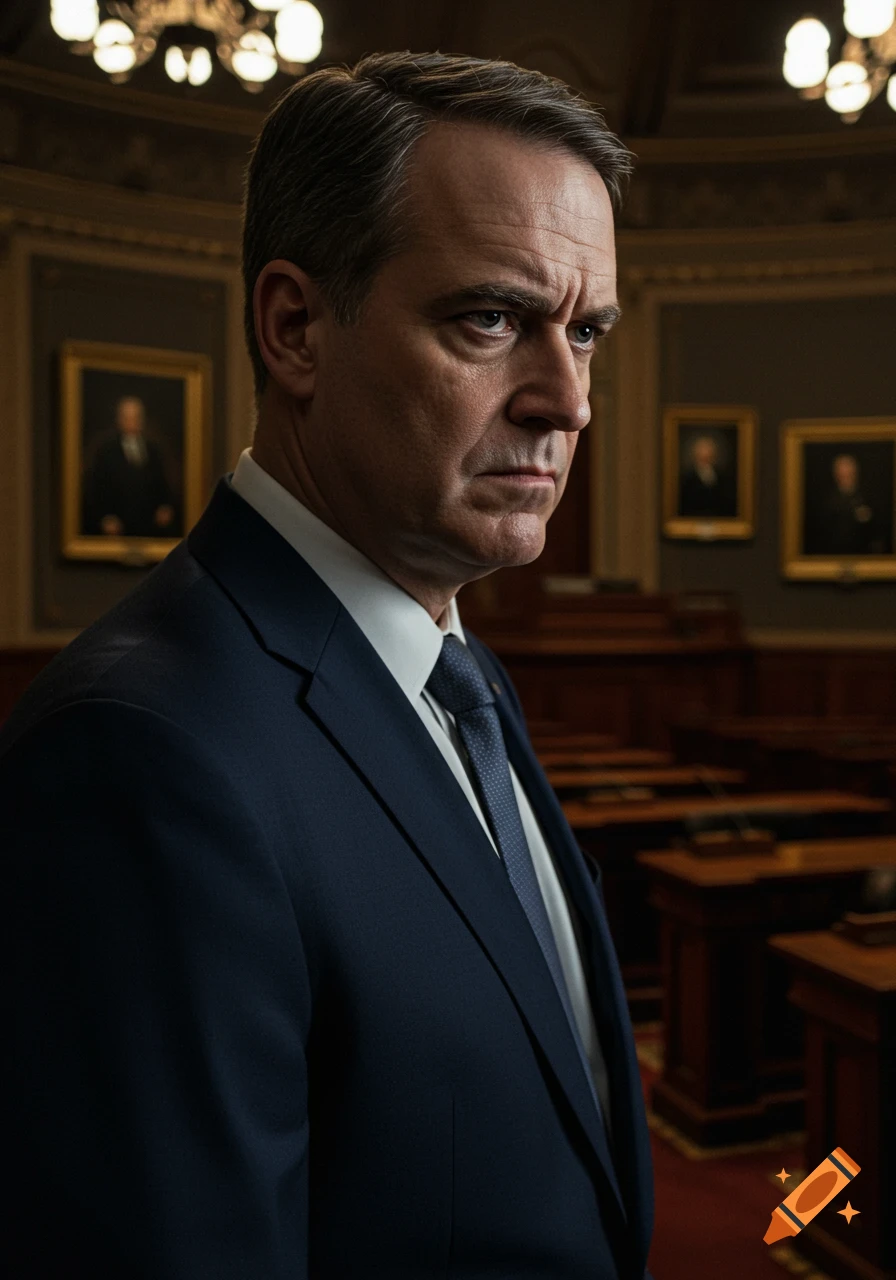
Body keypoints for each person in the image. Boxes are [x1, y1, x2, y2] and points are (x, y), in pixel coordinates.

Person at [3, 51, 654, 1280]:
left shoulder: (459, 673)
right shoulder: (140, 751)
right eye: (490, 318)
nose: (565, 400)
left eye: (586, 330)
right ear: (295, 327)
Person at [81, 393, 178, 537]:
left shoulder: (153, 450)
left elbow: (162, 484)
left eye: (136, 417)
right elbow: (96, 488)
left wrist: (165, 507)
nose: (132, 421)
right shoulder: (106, 451)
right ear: (119, 419)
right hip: (117, 525)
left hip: (149, 525)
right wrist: (105, 517)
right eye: (127, 417)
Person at [807, 452, 886, 555]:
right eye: (842, 472)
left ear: (855, 472)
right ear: (835, 474)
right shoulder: (826, 501)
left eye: (849, 472)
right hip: (831, 554)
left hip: (862, 554)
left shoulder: (868, 498)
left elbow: (877, 531)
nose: (846, 475)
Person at [677, 432, 737, 519]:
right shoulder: (686, 478)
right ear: (696, 454)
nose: (705, 454)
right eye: (702, 451)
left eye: (708, 451)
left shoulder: (722, 477)